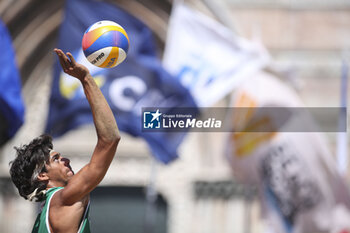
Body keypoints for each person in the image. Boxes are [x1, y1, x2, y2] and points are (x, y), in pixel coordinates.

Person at [9, 49, 121, 233]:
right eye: (56, 159)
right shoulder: (65, 199)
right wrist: (85, 78)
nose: (65, 160)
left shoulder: (43, 217)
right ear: (43, 175)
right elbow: (109, 140)